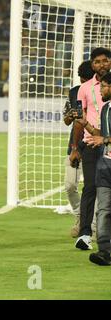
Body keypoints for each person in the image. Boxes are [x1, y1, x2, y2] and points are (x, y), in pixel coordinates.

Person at [71, 47, 111, 250]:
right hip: (90, 143)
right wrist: (75, 148)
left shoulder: (108, 86)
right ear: (92, 64)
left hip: (109, 143)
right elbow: (78, 119)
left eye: (105, 60)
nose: (101, 64)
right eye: (97, 61)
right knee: (90, 187)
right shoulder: (85, 88)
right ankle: (85, 233)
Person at [77, 72, 111, 265]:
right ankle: (104, 252)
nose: (101, 90)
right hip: (106, 165)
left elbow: (104, 138)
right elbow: (100, 134)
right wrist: (85, 124)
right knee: (104, 210)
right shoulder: (105, 108)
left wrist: (104, 140)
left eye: (105, 86)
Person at [62, 60, 94, 237]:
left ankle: (93, 225)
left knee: (93, 187)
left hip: (93, 145)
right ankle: (80, 217)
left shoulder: (101, 90)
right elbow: (67, 121)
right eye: (81, 80)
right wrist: (69, 115)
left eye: (85, 80)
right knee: (70, 186)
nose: (82, 83)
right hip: (74, 146)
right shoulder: (74, 91)